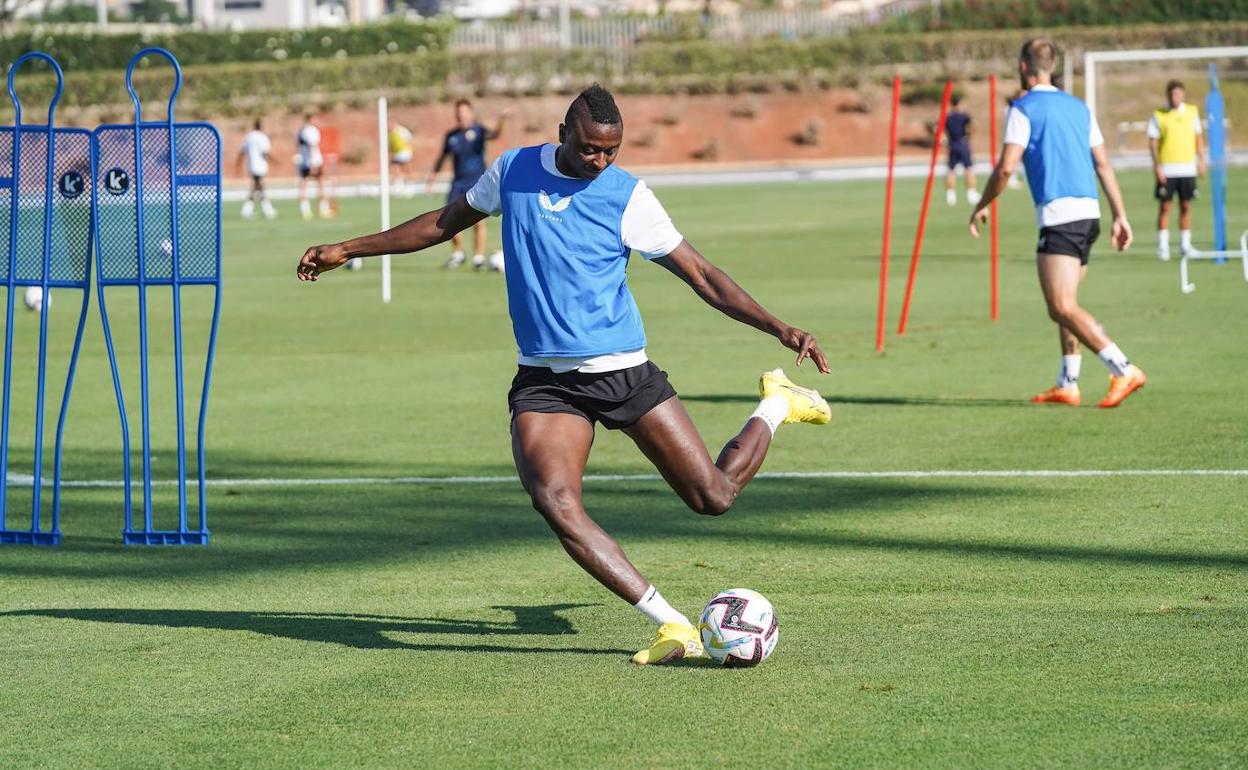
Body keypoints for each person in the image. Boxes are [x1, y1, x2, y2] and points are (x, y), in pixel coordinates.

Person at [298, 84, 832, 665]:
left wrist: (782, 329)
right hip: (546, 383)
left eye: (611, 151)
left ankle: (776, 403)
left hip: (623, 372)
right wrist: (350, 247)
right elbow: (441, 224)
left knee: (714, 498)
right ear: (562, 134)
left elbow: (703, 276)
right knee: (554, 499)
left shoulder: (629, 197)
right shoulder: (513, 171)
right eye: (588, 150)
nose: (599, 161)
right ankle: (671, 624)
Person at [970, 38, 1146, 409]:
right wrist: (1121, 215)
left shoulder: (1023, 108)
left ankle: (1123, 368)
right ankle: (1068, 382)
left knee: (1061, 306)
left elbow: (1005, 167)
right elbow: (1102, 164)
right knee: (1068, 303)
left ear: (1022, 67)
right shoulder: (1079, 107)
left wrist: (983, 203)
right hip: (1089, 213)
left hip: (1060, 217)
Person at [426, 99, 511, 271]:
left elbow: (495, 134)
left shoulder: (479, 131)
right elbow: (442, 158)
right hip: (457, 182)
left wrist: (501, 120)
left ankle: (478, 257)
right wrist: (433, 179)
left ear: (471, 113)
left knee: (478, 221)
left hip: (477, 181)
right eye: (459, 112)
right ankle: (458, 254)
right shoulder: (451, 136)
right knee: (450, 218)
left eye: (464, 111)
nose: (461, 115)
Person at [1148, 80, 1206, 261]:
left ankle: (1185, 245)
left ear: (1183, 95)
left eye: (1179, 94)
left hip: (1187, 169)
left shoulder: (1192, 112)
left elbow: (1198, 138)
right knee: (1165, 207)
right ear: (1168, 95)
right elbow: (1153, 143)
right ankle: (1163, 246)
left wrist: (1201, 160)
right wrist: (1157, 166)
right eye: (1173, 94)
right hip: (1167, 169)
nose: (1176, 98)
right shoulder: (1159, 114)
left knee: (1186, 206)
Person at [944, 95, 981, 206]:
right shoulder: (964, 116)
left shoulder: (948, 117)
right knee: (968, 168)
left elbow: (938, 129)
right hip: (962, 143)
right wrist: (970, 135)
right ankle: (971, 193)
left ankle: (950, 195)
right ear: (959, 103)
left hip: (952, 144)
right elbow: (973, 125)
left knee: (951, 170)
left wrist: (944, 138)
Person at [237, 118, 276, 220]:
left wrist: (238, 164)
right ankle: (266, 210)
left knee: (257, 188)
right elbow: (265, 152)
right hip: (260, 166)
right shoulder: (262, 137)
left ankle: (250, 210)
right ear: (261, 126)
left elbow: (241, 152)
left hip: (251, 165)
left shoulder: (249, 137)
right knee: (259, 187)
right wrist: (275, 161)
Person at [297, 113, 330, 221]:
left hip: (306, 161)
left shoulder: (302, 130)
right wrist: (312, 162)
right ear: (310, 119)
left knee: (305, 185)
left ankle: (306, 210)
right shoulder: (310, 130)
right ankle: (322, 209)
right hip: (312, 161)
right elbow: (312, 146)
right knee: (319, 184)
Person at [389, 118, 414, 192]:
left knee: (405, 169)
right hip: (397, 153)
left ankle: (410, 185)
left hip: (404, 152)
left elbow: (409, 140)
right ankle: (399, 185)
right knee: (396, 168)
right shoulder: (391, 133)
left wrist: (408, 150)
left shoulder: (402, 130)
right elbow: (391, 145)